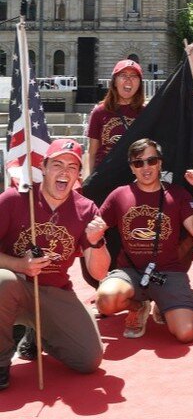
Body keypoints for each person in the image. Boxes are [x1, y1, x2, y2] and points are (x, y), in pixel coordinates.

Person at [0, 139, 109, 390]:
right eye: (57, 164)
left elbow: (99, 272)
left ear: (78, 175)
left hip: (54, 291)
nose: (64, 172)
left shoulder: (86, 209)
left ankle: (38, 332)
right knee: (2, 282)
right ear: (44, 167)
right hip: (14, 286)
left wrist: (97, 242)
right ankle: (1, 360)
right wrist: (19, 264)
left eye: (72, 167)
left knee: (88, 359)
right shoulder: (15, 199)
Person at [96, 139, 193, 343]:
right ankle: (138, 307)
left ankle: (164, 303)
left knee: (186, 333)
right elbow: (95, 229)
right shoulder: (119, 195)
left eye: (151, 161)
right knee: (105, 301)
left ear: (160, 163)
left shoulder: (177, 194)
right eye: (138, 163)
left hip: (168, 272)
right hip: (130, 271)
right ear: (131, 167)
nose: (146, 167)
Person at [86, 59, 145, 170]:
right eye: (123, 75)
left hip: (133, 179)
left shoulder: (146, 113)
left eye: (133, 76)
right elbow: (92, 153)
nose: (128, 80)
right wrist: (89, 182)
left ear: (139, 84)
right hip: (105, 177)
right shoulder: (99, 112)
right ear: (114, 82)